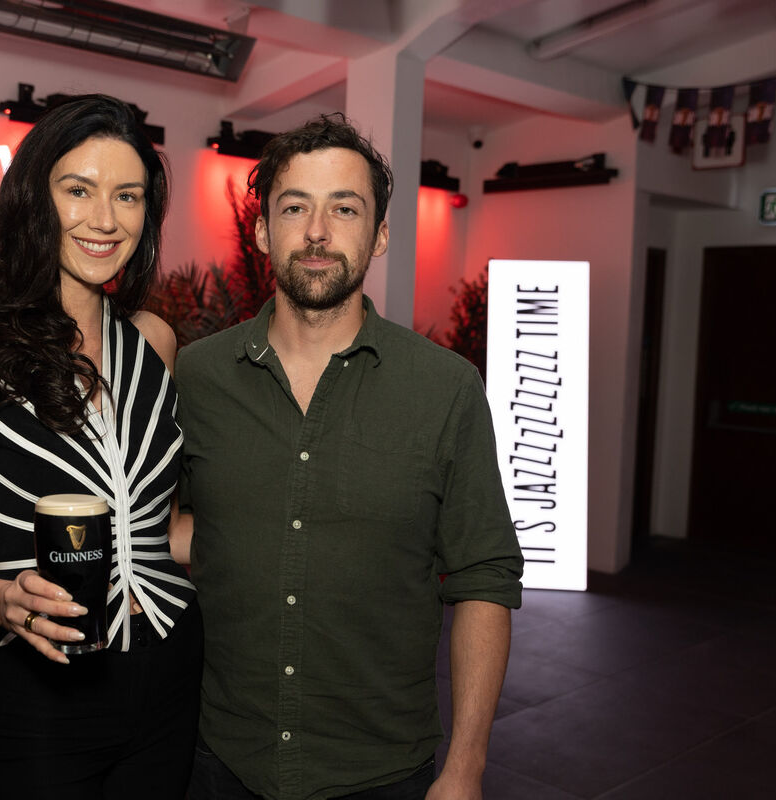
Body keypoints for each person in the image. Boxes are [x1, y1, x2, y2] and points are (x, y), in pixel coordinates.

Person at [175, 114, 524, 800]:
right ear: (261, 230)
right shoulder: (198, 376)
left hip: (383, 775)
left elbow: (484, 575)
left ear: (382, 234)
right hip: (221, 763)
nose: (316, 230)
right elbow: (168, 523)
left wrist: (467, 767)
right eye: (295, 207)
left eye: (345, 208)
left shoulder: (445, 388)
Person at [0, 94, 202, 799]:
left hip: (173, 672)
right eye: (78, 190)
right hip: (44, 689)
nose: (105, 218)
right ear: (35, 197)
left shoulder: (154, 341)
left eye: (128, 195)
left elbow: (158, 531)